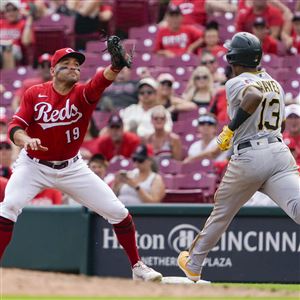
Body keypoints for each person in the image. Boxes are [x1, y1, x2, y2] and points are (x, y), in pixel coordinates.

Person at [0, 41, 163, 282]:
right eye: (66, 65)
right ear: (53, 70)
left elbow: (102, 79)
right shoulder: (35, 93)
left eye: (77, 65)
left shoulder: (83, 94)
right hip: (33, 165)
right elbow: (15, 126)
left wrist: (115, 67)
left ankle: (137, 267)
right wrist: (25, 139)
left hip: (72, 167)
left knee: (118, 212)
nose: (74, 68)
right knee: (9, 207)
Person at [177, 32, 300, 282]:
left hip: (250, 154)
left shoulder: (235, 82)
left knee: (222, 209)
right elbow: (283, 124)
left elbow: (253, 97)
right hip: (278, 151)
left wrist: (230, 129)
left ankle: (194, 262)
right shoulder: (276, 83)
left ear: (233, 57)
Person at [0, 0, 34, 69]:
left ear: (19, 11)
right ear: (4, 13)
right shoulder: (1, 23)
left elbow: (26, 42)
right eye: (8, 10)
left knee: (7, 49)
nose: (11, 13)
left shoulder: (23, 24)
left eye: (14, 9)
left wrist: (29, 20)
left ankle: (8, 78)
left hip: (16, 50)